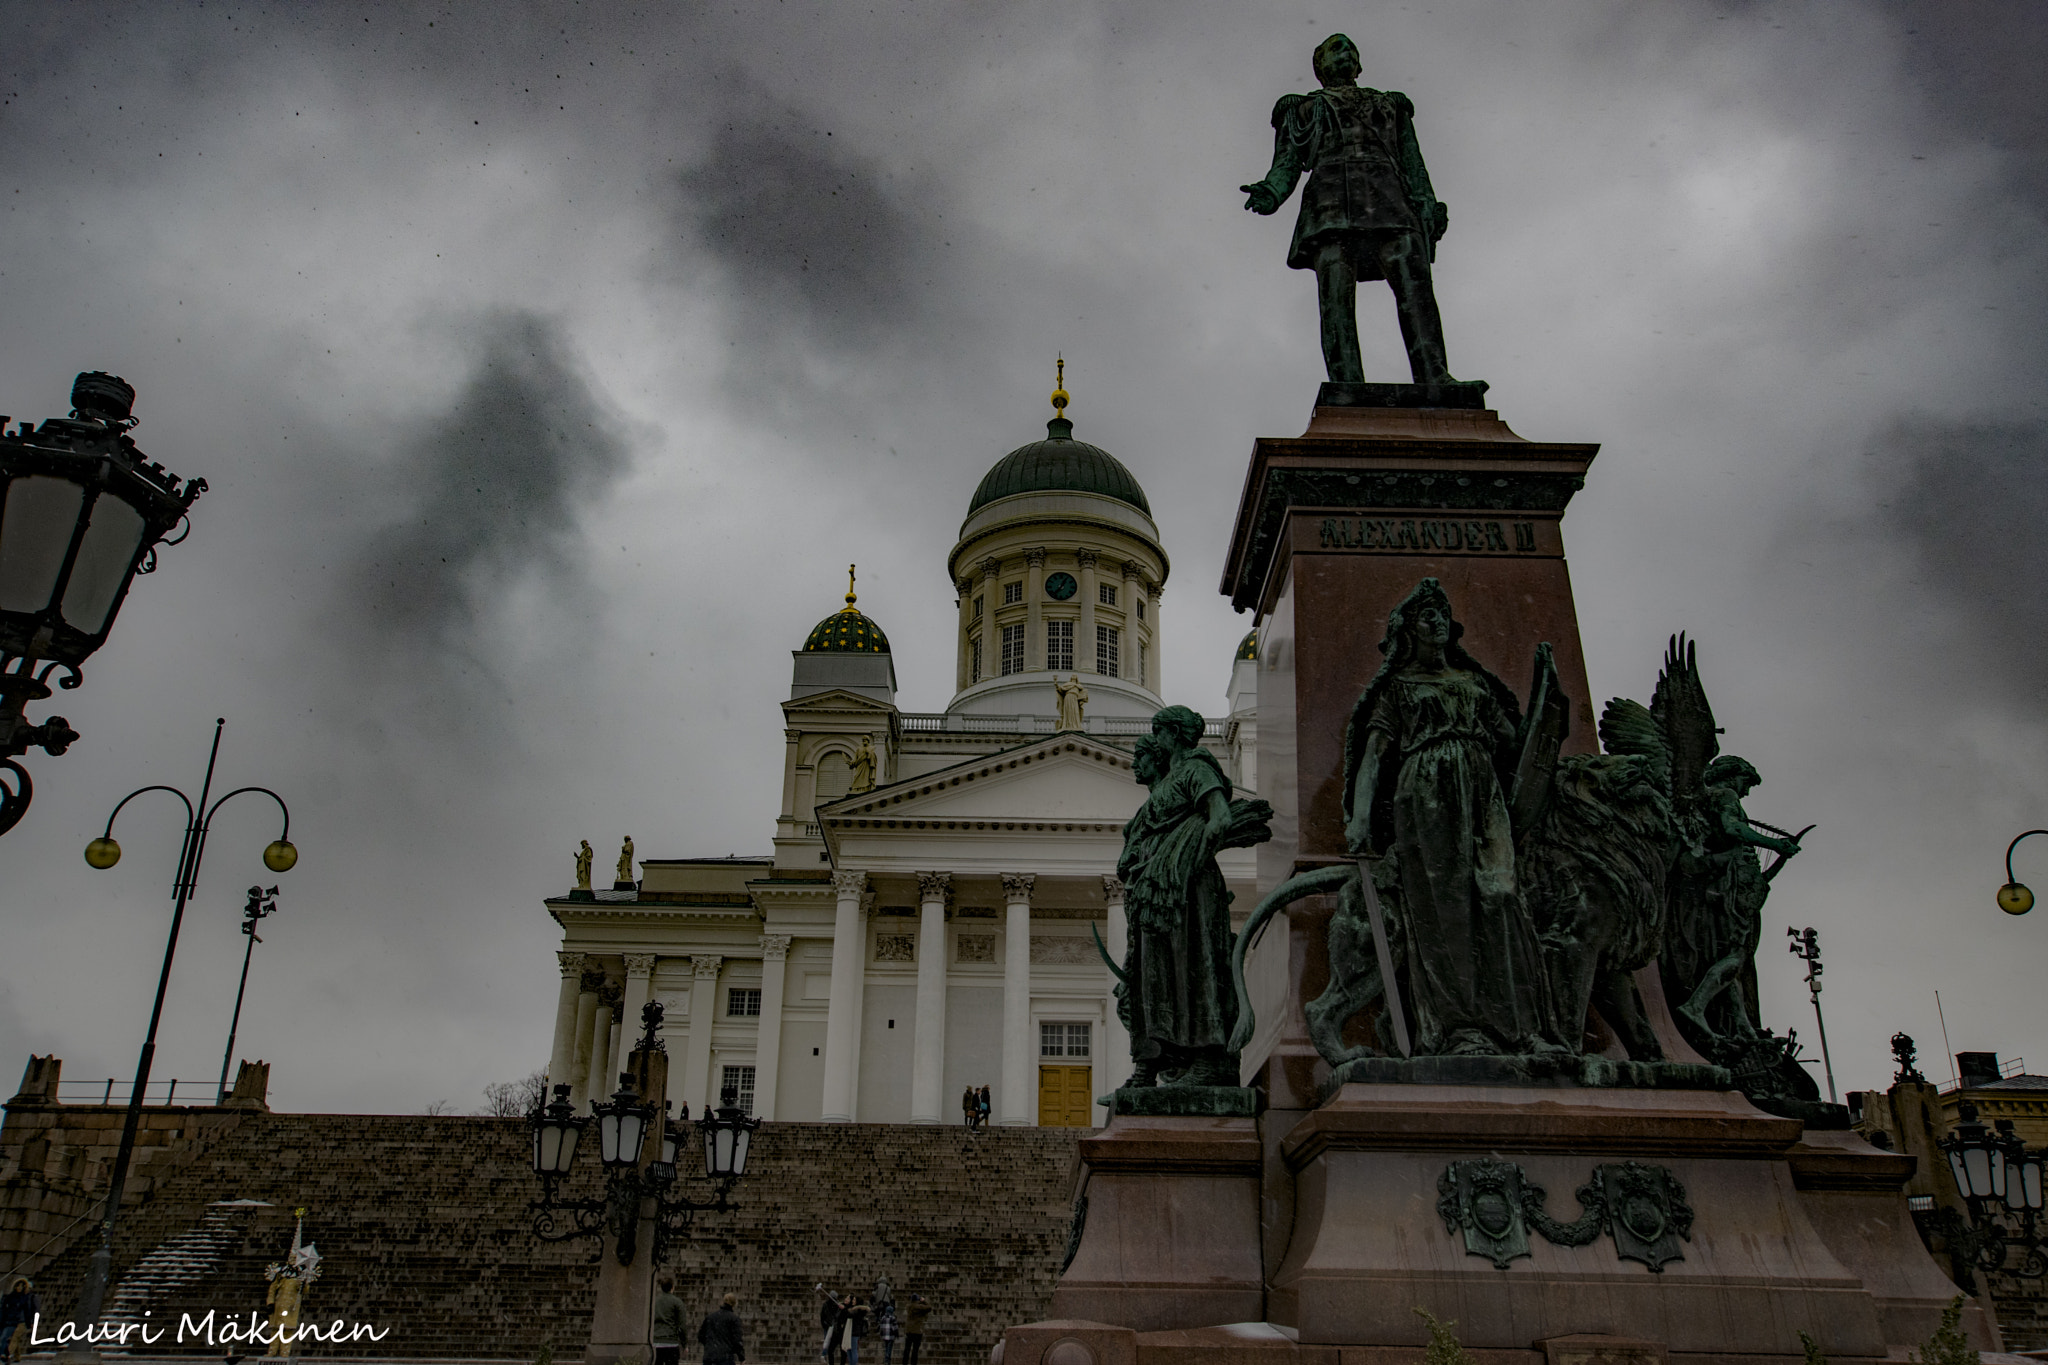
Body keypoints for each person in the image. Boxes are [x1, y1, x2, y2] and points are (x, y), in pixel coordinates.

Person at [1341, 578, 1556, 1056]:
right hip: (1425, 794)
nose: (1437, 621)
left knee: (1501, 897)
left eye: (1442, 613)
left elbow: (1516, 745)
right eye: (1426, 615)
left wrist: (1546, 698)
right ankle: (1462, 1029)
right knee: (1446, 915)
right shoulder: (1398, 689)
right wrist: (1358, 819)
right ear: (1408, 632)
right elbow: (1373, 755)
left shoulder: (1473, 684)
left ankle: (1522, 1028)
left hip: (1483, 794)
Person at [1240, 33, 1458, 387]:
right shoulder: (1301, 109)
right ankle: (1348, 383)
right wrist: (1270, 192)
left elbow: (1413, 162)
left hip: (1392, 202)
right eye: (1335, 49)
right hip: (1330, 207)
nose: (1345, 53)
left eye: (1351, 49)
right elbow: (1287, 163)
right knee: (1336, 300)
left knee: (1415, 288)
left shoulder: (1390, 105)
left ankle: (1435, 375)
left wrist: (1428, 203)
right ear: (1319, 66)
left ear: (1359, 64)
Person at [698, 1291, 745, 1365]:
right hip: (725, 1357)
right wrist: (741, 1357)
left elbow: (701, 1336)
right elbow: (737, 1340)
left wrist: (710, 1345)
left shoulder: (710, 1317)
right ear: (734, 1304)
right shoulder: (734, 1319)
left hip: (709, 1357)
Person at [0, 1278, 38, 1364]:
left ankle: (7, 1355)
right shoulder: (12, 1297)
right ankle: (17, 1357)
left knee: (14, 1338)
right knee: (14, 1338)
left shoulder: (30, 1297)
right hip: (13, 1320)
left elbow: (32, 1310)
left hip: (22, 1322)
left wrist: (32, 1321)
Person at [651, 1272, 685, 1365]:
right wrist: (684, 1343)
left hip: (656, 1341)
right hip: (671, 1342)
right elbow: (682, 1325)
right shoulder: (677, 1302)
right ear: (672, 1287)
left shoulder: (655, 1301)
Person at [902, 1294, 930, 1365]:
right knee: (915, 1349)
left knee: (907, 1349)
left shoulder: (908, 1306)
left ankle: (904, 1363)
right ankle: (913, 1363)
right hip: (917, 1331)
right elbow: (929, 1307)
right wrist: (924, 1301)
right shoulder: (919, 1307)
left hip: (909, 1330)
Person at [819, 1287, 844, 1364]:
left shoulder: (837, 1305)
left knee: (829, 1344)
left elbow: (823, 1316)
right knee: (827, 1342)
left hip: (833, 1327)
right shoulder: (827, 1305)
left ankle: (824, 1355)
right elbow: (822, 1316)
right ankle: (824, 1355)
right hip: (830, 1326)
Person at [876, 1300, 898, 1365]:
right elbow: (895, 1327)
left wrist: (881, 1333)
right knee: (889, 1348)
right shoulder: (893, 1318)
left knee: (886, 1347)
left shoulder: (883, 1318)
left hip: (885, 1335)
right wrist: (896, 1333)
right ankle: (887, 1359)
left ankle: (886, 1358)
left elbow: (881, 1326)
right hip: (891, 1336)